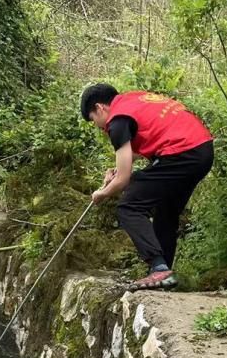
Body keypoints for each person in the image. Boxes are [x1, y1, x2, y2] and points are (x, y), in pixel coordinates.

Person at [81, 83, 214, 290]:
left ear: (99, 108)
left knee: (129, 206)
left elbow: (123, 180)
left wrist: (102, 193)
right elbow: (135, 150)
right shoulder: (134, 100)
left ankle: (158, 267)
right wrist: (116, 171)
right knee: (165, 211)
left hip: (181, 153)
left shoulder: (117, 120)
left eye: (93, 120)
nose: (97, 126)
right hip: (202, 150)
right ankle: (163, 274)